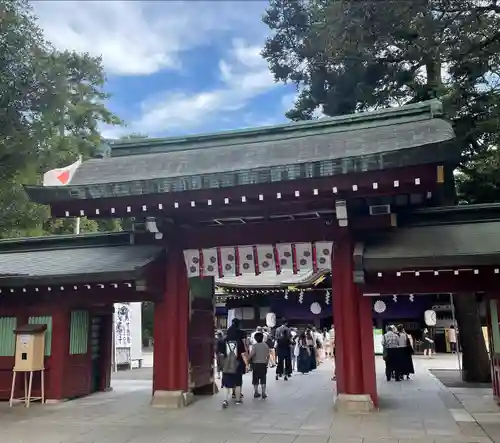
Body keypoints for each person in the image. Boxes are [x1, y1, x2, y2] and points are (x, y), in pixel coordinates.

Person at [222, 318, 248, 408]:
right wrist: (247, 363)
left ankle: (225, 400)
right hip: (238, 364)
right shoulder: (239, 342)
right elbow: (243, 353)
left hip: (227, 364)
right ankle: (237, 400)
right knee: (238, 383)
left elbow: (221, 353)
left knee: (226, 383)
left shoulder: (224, 341)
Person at [249, 332, 269, 399]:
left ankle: (256, 392)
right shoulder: (265, 345)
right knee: (263, 378)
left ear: (255, 338)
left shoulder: (255, 346)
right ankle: (263, 393)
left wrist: (247, 359)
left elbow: (251, 355)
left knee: (255, 379)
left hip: (255, 364)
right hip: (263, 364)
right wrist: (266, 362)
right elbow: (268, 356)